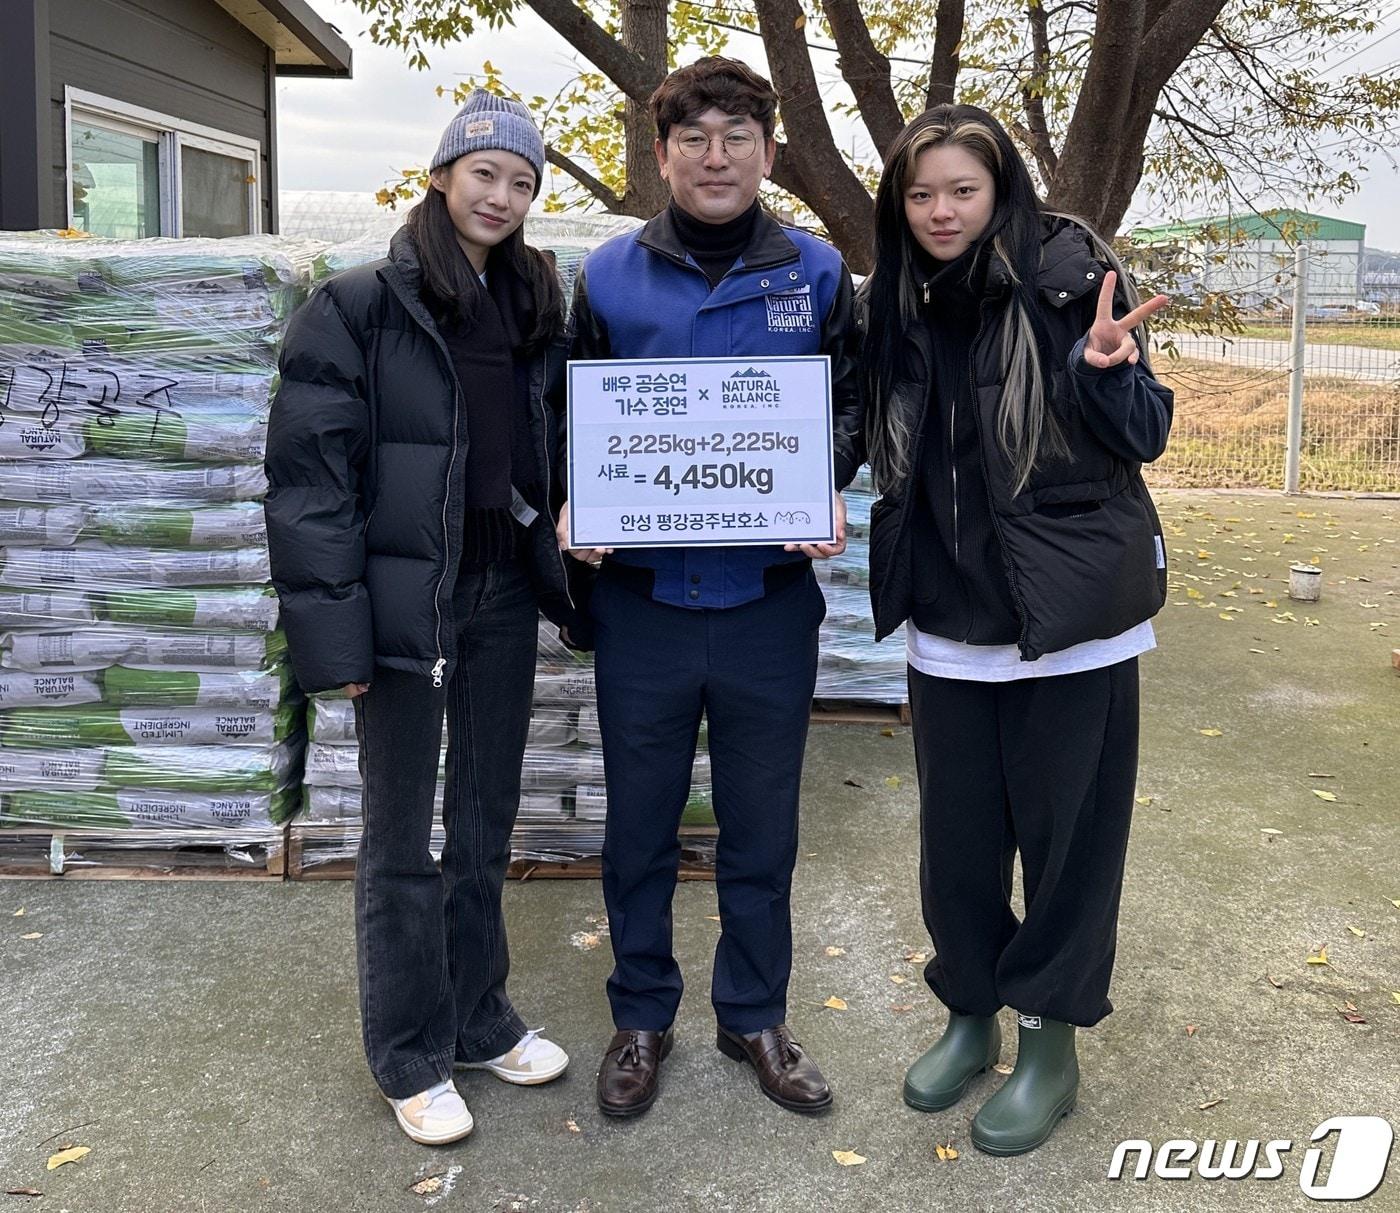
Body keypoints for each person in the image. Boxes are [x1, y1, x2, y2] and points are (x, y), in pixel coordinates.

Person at [266, 91, 586, 1146]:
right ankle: (406, 1049)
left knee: (486, 819)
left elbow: (542, 456)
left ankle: (477, 1015)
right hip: (406, 607)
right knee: (400, 840)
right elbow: (310, 484)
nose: (500, 195)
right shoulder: (357, 305)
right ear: (440, 176)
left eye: (521, 180)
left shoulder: (534, 303)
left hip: (496, 595)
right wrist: (339, 641)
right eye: (483, 171)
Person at [859, 104, 1173, 1156]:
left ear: (999, 189)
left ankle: (1048, 1040)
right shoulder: (894, 298)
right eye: (919, 193)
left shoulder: (1069, 272)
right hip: (949, 622)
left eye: (961, 188)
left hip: (1068, 621)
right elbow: (864, 431)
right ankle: (968, 1012)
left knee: (1067, 841)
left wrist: (1104, 372)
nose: (940, 211)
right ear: (895, 204)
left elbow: (1147, 436)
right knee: (955, 845)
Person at [555, 57, 862, 1118]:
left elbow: (850, 405)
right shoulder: (603, 275)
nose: (715, 154)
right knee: (637, 825)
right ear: (662, 154)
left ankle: (753, 1014)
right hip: (640, 605)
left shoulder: (817, 276)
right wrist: (573, 506)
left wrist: (829, 480)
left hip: (765, 609)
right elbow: (570, 417)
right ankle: (641, 1015)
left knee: (759, 826)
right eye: (694, 137)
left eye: (737, 135)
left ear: (768, 153)